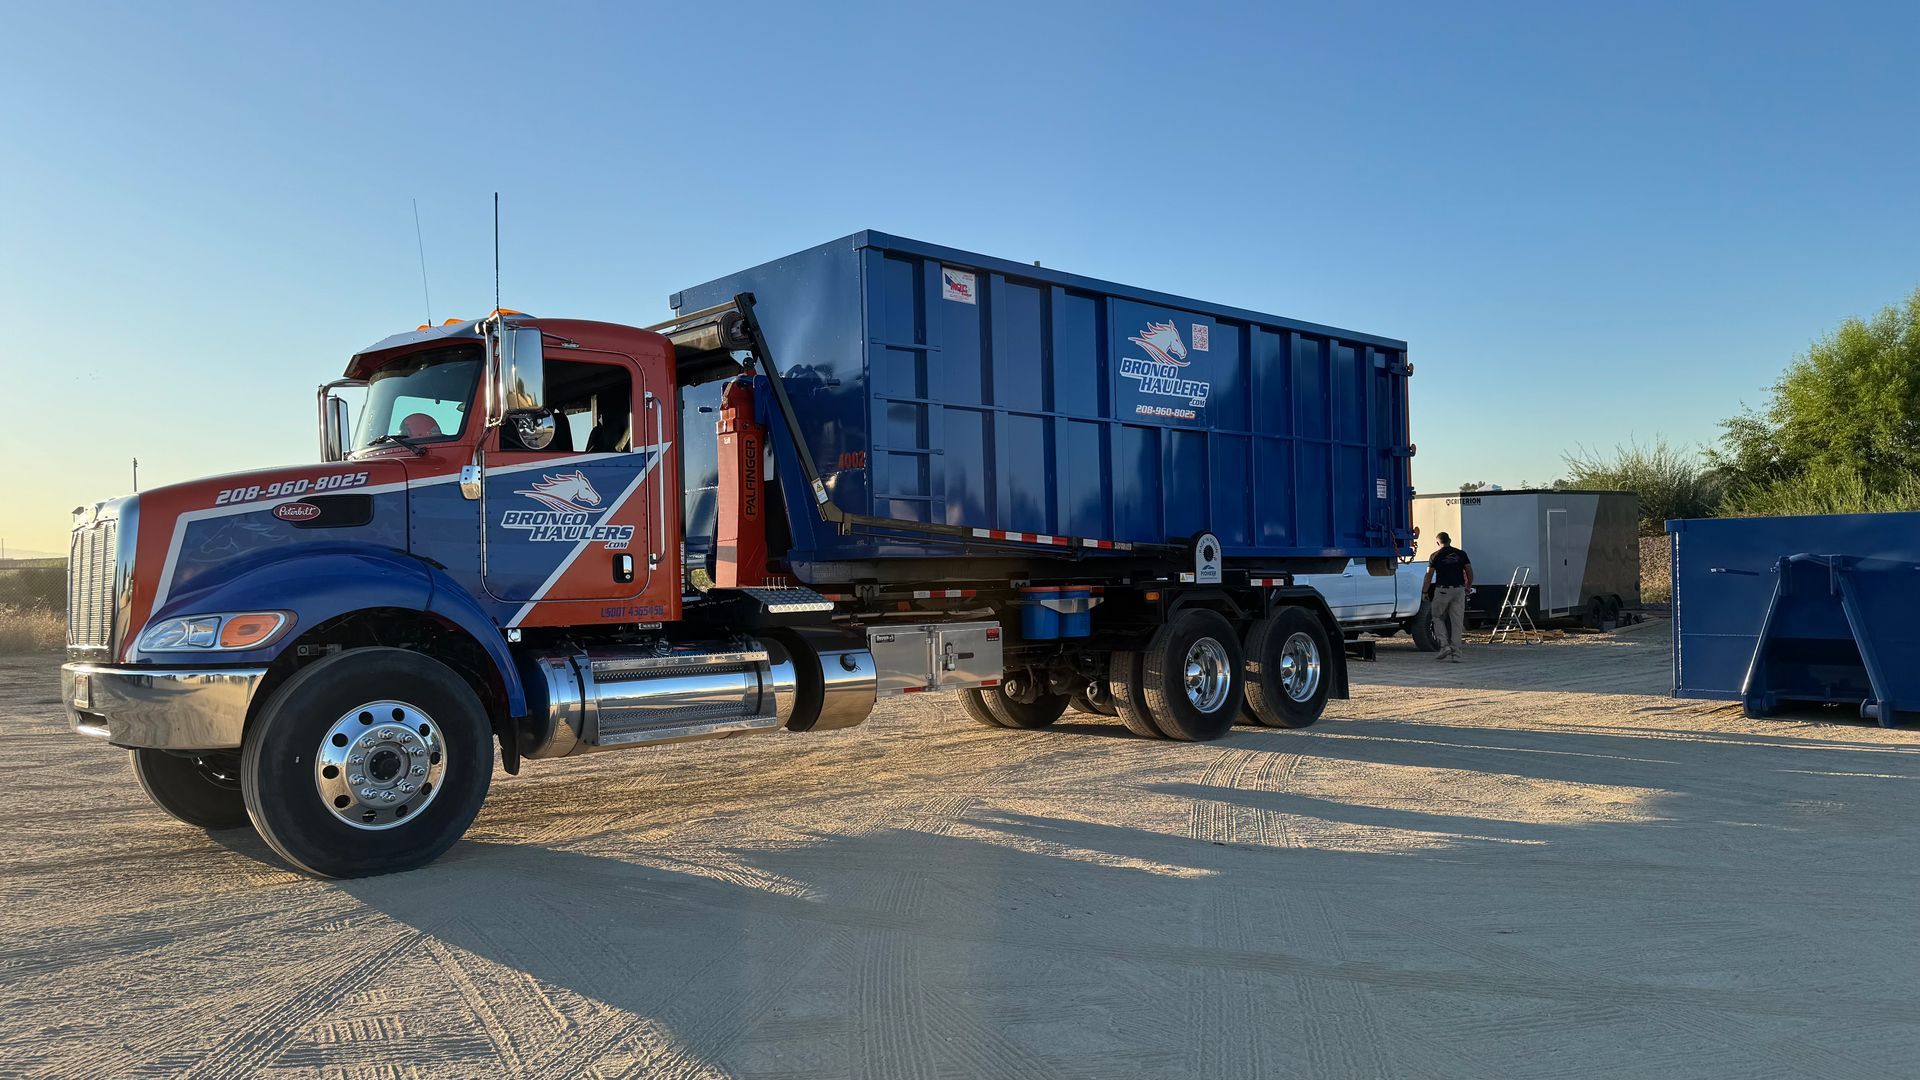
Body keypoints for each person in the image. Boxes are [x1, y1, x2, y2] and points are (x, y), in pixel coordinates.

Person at [1422, 531, 1473, 661]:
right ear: (1450, 541)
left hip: (1442, 590)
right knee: (1456, 621)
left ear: (1438, 542)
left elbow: (1429, 576)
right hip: (1459, 590)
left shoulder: (1435, 555)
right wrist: (1467, 586)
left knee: (1437, 616)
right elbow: (1469, 571)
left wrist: (1424, 591)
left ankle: (1444, 646)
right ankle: (1456, 653)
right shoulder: (1461, 554)